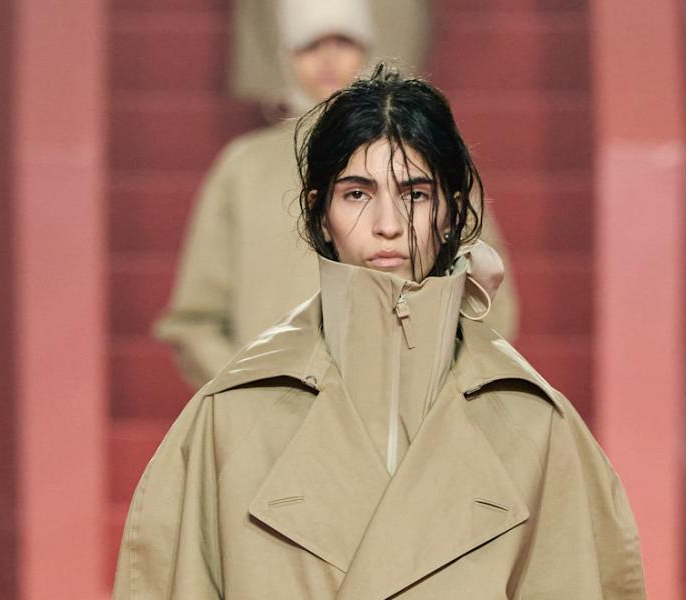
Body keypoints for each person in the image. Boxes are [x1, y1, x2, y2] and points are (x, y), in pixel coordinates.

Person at [113, 64, 645, 599]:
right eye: (357, 194)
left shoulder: (535, 426)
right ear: (319, 213)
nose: (388, 224)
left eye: (415, 194)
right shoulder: (228, 420)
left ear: (452, 211)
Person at [153, 0, 518, 387]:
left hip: (406, 405)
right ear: (286, 56)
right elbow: (197, 321)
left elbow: (487, 298)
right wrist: (251, 394)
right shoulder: (244, 169)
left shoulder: (428, 156)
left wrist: (430, 390)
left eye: (343, 42)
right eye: (310, 45)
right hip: (274, 406)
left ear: (367, 48)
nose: (327, 59)